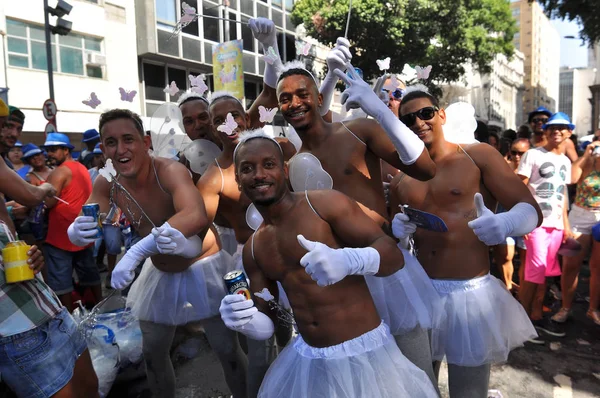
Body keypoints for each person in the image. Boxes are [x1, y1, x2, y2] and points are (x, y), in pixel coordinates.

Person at [219, 132, 438, 397]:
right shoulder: (253, 248)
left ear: (284, 170)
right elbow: (270, 317)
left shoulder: (322, 204)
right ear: (238, 181)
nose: (259, 174)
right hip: (309, 361)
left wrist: (351, 260)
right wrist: (245, 320)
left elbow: (392, 257)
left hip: (366, 355)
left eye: (268, 164)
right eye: (247, 168)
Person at [272, 63, 438, 385]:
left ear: (319, 99)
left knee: (417, 373)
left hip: (386, 268)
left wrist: (379, 110)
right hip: (341, 282)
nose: (294, 103)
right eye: (285, 98)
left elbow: (425, 169)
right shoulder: (291, 166)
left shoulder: (358, 130)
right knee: (365, 382)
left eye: (302, 94)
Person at [67, 109, 247, 398]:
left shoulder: (169, 170)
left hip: (206, 268)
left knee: (227, 350)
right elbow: (92, 209)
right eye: (111, 142)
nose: (121, 149)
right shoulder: (108, 180)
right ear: (103, 148)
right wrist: (78, 227)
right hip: (161, 273)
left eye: (128, 139)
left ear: (146, 141)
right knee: (152, 352)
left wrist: (137, 250)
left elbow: (196, 215)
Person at [389, 88, 540, 398]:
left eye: (425, 113)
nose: (418, 122)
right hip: (420, 292)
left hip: (468, 295)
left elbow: (530, 210)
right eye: (408, 119)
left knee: (468, 392)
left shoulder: (477, 155)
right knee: (419, 388)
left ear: (441, 114)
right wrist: (396, 231)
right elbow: (391, 236)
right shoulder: (402, 175)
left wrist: (505, 223)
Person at [0, 155, 99, 398]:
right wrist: (43, 189)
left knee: (90, 389)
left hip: (48, 310)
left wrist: (30, 256)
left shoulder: (66, 170)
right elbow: (32, 197)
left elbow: (10, 234)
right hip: (16, 332)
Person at [517, 112, 574, 341]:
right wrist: (524, 222)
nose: (557, 131)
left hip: (557, 226)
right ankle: (522, 321)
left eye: (562, 128)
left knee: (544, 275)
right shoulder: (532, 155)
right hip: (536, 224)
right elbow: (519, 189)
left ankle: (536, 316)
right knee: (534, 274)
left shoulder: (566, 161)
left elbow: (562, 195)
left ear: (569, 132)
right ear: (545, 131)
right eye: (553, 127)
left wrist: (566, 226)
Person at [41, 132, 102, 311]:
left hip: (61, 234)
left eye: (53, 150)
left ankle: (67, 317)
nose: (49, 154)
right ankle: (101, 307)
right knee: (90, 273)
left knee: (61, 280)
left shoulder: (59, 171)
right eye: (47, 150)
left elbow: (49, 201)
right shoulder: (81, 168)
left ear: (66, 150)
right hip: (82, 232)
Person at [552, 131, 600, 326]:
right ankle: (565, 307)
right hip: (579, 217)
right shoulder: (587, 161)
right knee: (571, 266)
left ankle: (593, 309)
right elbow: (571, 179)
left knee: (598, 268)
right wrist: (587, 154)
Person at [493, 138, 531, 292]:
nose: (517, 156)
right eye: (513, 152)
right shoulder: (503, 168)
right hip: (505, 215)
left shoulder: (533, 169)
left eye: (521, 153)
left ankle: (524, 289)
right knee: (506, 255)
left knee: (525, 259)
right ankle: (508, 285)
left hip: (526, 218)